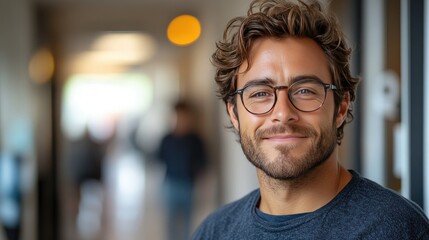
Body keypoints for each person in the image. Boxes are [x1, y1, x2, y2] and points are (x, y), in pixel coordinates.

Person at [192, 0, 429, 239]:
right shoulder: (215, 231)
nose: (283, 113)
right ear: (234, 113)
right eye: (260, 94)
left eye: (305, 91)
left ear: (341, 108)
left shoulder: (398, 229)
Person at [158, 100, 206, 240]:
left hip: (188, 185)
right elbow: (159, 158)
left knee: (187, 221)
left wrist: (202, 186)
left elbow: (202, 164)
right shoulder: (167, 139)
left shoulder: (195, 140)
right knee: (170, 221)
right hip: (170, 184)